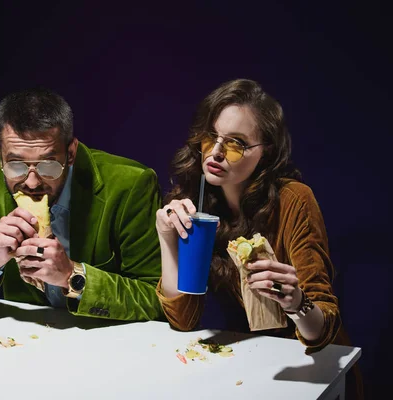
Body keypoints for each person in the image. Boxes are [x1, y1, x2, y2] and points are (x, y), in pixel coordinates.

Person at [155, 78, 363, 399]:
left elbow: (323, 330)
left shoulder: (293, 200)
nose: (218, 152)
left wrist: (295, 301)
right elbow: (183, 320)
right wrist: (168, 241)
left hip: (313, 372)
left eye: (236, 144)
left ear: (264, 154)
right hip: (249, 369)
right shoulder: (195, 204)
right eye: (212, 137)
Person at [0, 87, 163, 321]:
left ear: (71, 153)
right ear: (0, 152)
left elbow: (158, 299)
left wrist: (72, 276)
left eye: (48, 165)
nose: (31, 183)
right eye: (16, 165)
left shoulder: (131, 184)